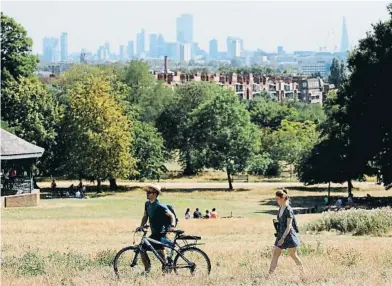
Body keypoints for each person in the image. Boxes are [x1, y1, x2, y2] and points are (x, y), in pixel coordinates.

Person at [137, 184, 176, 273]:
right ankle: (151, 269)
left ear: (155, 194)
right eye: (147, 192)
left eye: (149, 192)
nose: (147, 194)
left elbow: (171, 216)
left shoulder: (160, 206)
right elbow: (145, 216)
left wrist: (172, 226)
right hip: (154, 233)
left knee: (145, 249)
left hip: (161, 233)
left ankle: (149, 270)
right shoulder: (147, 204)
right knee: (154, 251)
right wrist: (142, 226)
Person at [268, 189, 304, 276]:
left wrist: (283, 239)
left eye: (277, 199)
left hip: (289, 235)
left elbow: (289, 226)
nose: (276, 201)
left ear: (283, 198)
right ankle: (269, 275)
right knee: (275, 254)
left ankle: (302, 273)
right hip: (280, 234)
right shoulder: (280, 208)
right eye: (275, 199)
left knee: (293, 255)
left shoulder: (288, 210)